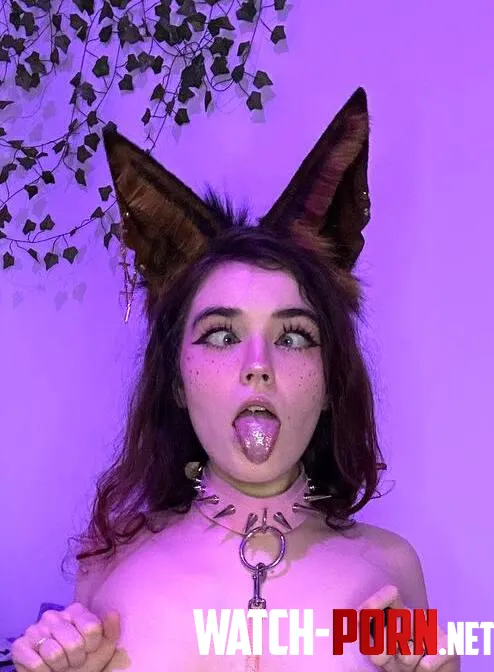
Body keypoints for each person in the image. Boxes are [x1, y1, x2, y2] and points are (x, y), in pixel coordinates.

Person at [11, 89, 460, 672]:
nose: (258, 362)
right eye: (221, 334)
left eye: (293, 336)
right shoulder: (108, 561)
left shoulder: (392, 567)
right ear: (176, 381)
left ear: (330, 382)